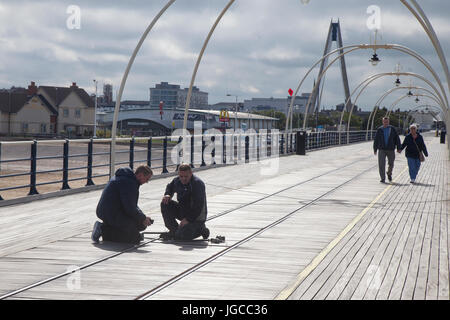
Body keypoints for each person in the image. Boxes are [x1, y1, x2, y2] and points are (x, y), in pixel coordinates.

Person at [91, 165, 153, 244]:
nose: (146, 182)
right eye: (147, 179)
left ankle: (110, 229)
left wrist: (142, 217)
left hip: (111, 210)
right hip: (110, 212)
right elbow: (130, 208)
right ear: (140, 175)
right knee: (134, 238)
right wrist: (142, 218)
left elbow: (131, 205)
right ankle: (102, 229)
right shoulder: (129, 183)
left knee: (140, 224)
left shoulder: (127, 179)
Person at [160, 163, 210, 241]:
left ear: (191, 173)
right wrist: (167, 195)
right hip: (183, 211)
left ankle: (202, 230)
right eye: (181, 176)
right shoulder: (177, 180)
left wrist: (188, 219)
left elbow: (198, 206)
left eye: (186, 176)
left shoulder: (197, 184)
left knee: (183, 236)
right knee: (165, 203)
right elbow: (170, 187)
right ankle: (173, 230)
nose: (183, 179)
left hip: (196, 216)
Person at [373, 117, 402, 183]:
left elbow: (397, 138)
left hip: (391, 149)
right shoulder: (380, 129)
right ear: (382, 122)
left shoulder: (392, 129)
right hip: (381, 149)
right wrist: (375, 149)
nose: (385, 123)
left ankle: (389, 173)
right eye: (384, 122)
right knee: (381, 164)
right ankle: (382, 178)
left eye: (387, 122)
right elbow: (376, 140)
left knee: (391, 163)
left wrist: (399, 148)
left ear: (388, 122)